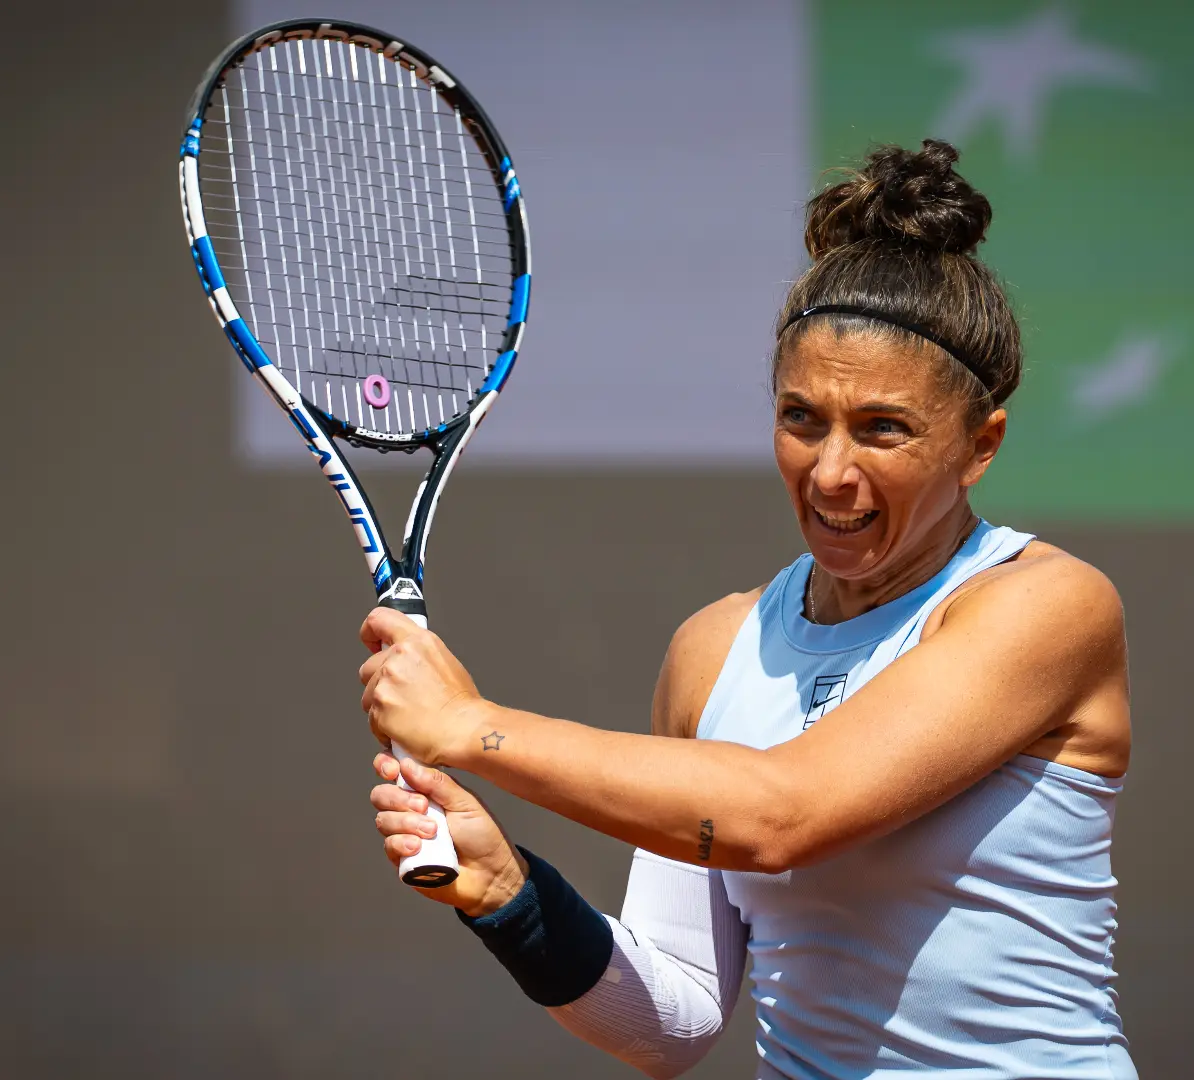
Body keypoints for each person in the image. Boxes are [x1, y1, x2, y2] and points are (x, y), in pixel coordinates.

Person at [361, 140, 1135, 1080]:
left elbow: (781, 818)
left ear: (981, 445)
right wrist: (508, 894)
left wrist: (472, 728)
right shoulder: (713, 649)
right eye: (801, 417)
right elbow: (672, 1024)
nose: (830, 471)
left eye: (883, 429)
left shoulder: (1046, 605)